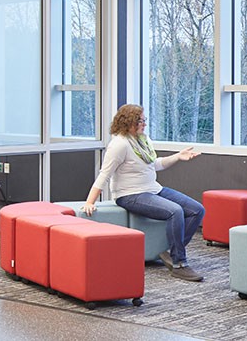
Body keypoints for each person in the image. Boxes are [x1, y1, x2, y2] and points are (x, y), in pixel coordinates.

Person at [81, 104, 205, 282]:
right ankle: (179, 264)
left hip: (152, 189)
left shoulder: (143, 141)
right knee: (175, 211)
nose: (144, 124)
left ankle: (171, 253)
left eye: (144, 120)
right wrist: (90, 201)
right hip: (130, 194)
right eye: (141, 121)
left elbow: (155, 164)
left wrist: (178, 156)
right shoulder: (119, 145)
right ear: (128, 122)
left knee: (197, 209)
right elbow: (104, 174)